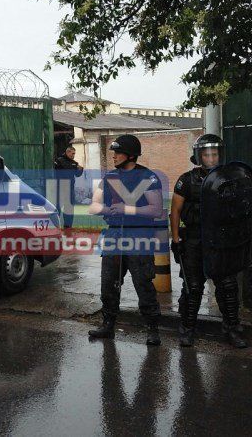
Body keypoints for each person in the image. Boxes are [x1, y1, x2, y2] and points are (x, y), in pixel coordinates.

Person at [170, 134, 247, 348]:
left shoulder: (230, 179)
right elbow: (175, 211)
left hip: (221, 242)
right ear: (199, 156)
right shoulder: (187, 180)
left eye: (214, 154)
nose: (211, 158)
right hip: (194, 240)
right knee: (193, 287)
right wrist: (176, 239)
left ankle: (232, 329)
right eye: (206, 155)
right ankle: (187, 329)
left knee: (228, 286)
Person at [87, 134, 163, 346]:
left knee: (143, 284)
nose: (114, 156)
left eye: (118, 153)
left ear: (130, 155)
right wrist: (106, 209)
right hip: (114, 236)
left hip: (139, 236)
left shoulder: (148, 177)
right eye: (114, 152)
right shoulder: (110, 177)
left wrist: (126, 209)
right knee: (108, 284)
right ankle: (108, 326)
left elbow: (156, 209)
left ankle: (152, 329)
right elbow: (93, 205)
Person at [53, 146, 84, 228]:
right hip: (60, 188)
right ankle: (56, 226)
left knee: (69, 208)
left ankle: (68, 227)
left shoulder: (74, 163)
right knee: (57, 207)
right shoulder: (59, 160)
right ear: (67, 152)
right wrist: (74, 167)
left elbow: (77, 174)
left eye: (74, 154)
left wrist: (81, 169)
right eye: (72, 153)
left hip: (70, 189)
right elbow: (56, 170)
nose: (73, 155)